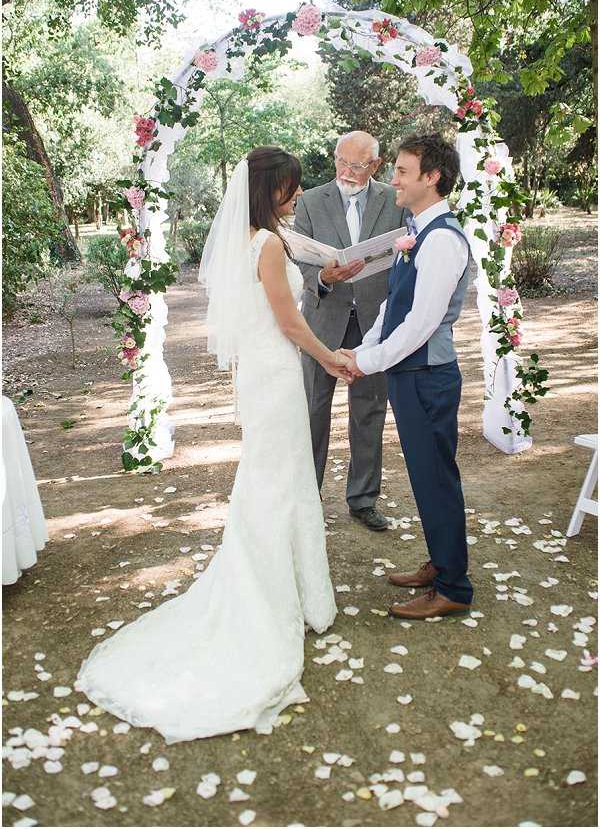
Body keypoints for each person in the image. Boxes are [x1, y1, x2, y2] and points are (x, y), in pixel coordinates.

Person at [77, 147, 353, 742]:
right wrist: (330, 358)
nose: (297, 195)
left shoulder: (249, 241)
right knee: (278, 486)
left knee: (274, 481)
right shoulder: (269, 246)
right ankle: (280, 600)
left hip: (256, 375)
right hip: (277, 374)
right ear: (268, 192)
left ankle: (302, 595)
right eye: (290, 188)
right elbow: (288, 321)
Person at [343, 133, 474, 619]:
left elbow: (420, 325)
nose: (391, 178)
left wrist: (366, 363)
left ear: (431, 177)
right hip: (408, 373)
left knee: (435, 478)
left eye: (401, 171)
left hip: (427, 375)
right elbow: (392, 310)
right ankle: (441, 564)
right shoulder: (416, 231)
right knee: (426, 477)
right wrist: (362, 350)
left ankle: (454, 588)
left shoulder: (440, 240)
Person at [294, 131, 409, 531]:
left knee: (369, 412)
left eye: (357, 165)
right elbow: (299, 261)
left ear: (376, 166)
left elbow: (405, 255)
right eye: (341, 162)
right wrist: (323, 276)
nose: (346, 171)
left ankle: (363, 500)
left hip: (374, 324)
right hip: (323, 321)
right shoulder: (310, 201)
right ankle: (307, 498)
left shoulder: (394, 201)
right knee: (312, 410)